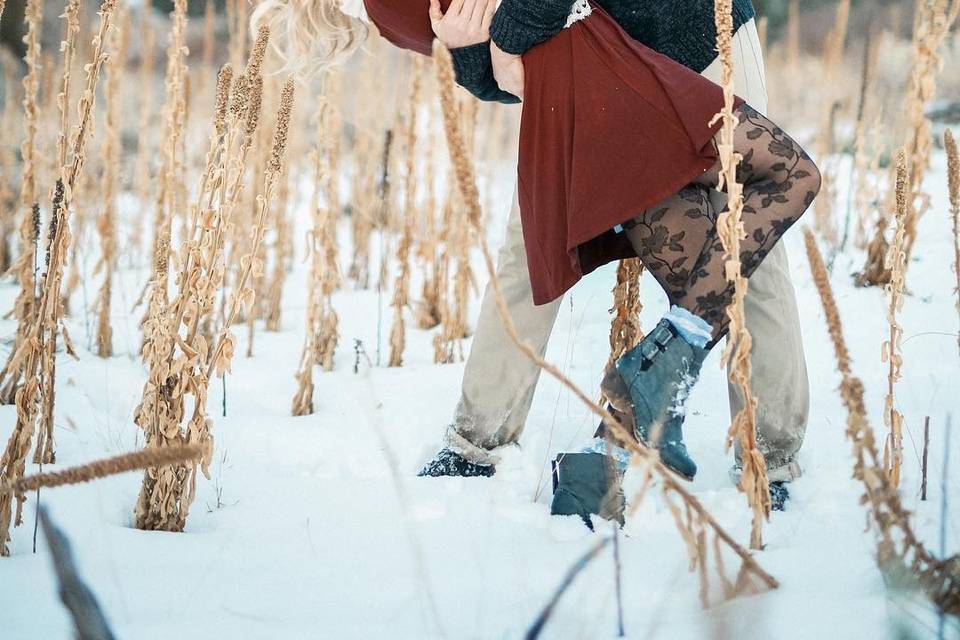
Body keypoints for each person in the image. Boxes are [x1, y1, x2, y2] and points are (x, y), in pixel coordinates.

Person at [252, 0, 817, 516]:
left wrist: (503, 39)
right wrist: (476, 47)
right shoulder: (389, 14)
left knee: (747, 241)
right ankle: (481, 438)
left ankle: (769, 454)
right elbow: (508, 75)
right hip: (597, 67)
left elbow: (512, 50)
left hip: (694, 33)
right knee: (530, 246)